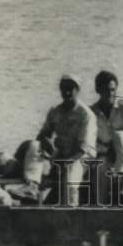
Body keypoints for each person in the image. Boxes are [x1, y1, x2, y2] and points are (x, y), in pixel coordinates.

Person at [36, 74, 97, 207]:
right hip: (61, 155)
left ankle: (70, 213)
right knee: (35, 168)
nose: (67, 92)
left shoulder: (86, 115)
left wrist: (62, 163)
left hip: (82, 157)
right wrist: (45, 141)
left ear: (77, 90)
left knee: (70, 180)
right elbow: (42, 135)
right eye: (64, 88)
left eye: (71, 88)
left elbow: (82, 149)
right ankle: (34, 204)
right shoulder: (55, 111)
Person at [90, 70, 123, 205]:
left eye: (113, 89)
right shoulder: (92, 112)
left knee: (118, 135)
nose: (110, 93)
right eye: (106, 90)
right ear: (98, 89)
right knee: (100, 169)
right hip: (105, 154)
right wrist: (105, 151)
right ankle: (101, 207)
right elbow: (91, 139)